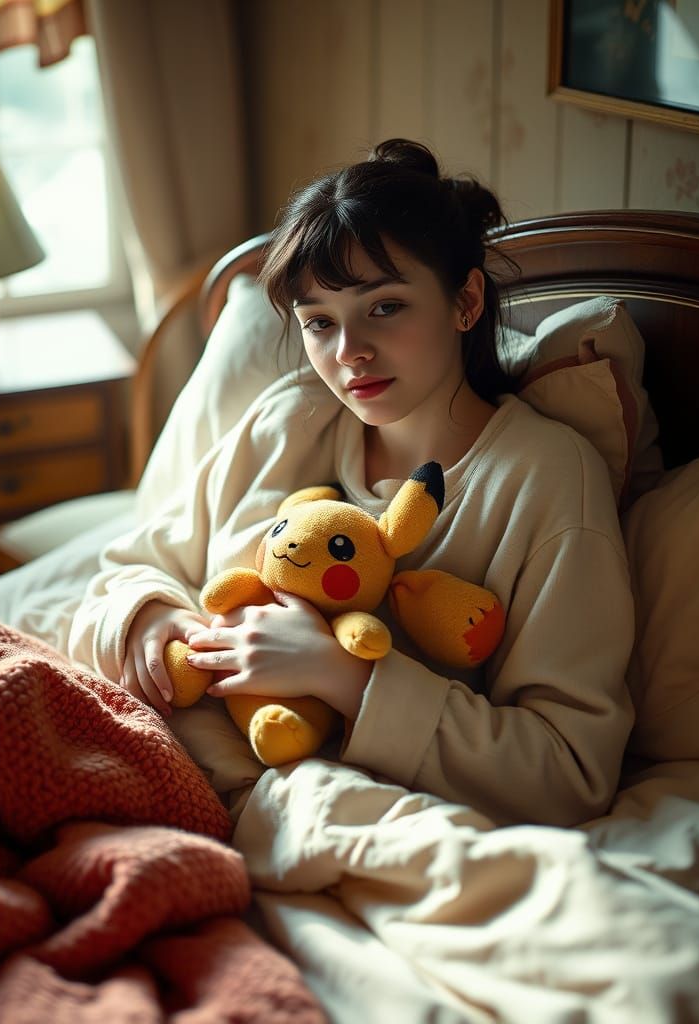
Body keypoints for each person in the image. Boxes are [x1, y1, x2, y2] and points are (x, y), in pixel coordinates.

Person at [67, 138, 635, 827]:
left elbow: (567, 771)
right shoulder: (292, 418)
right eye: (319, 323)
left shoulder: (545, 479)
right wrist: (154, 623)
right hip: (154, 760)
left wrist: (344, 678)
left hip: (310, 816)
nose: (349, 353)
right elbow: (130, 569)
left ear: (466, 300)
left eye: (385, 307)